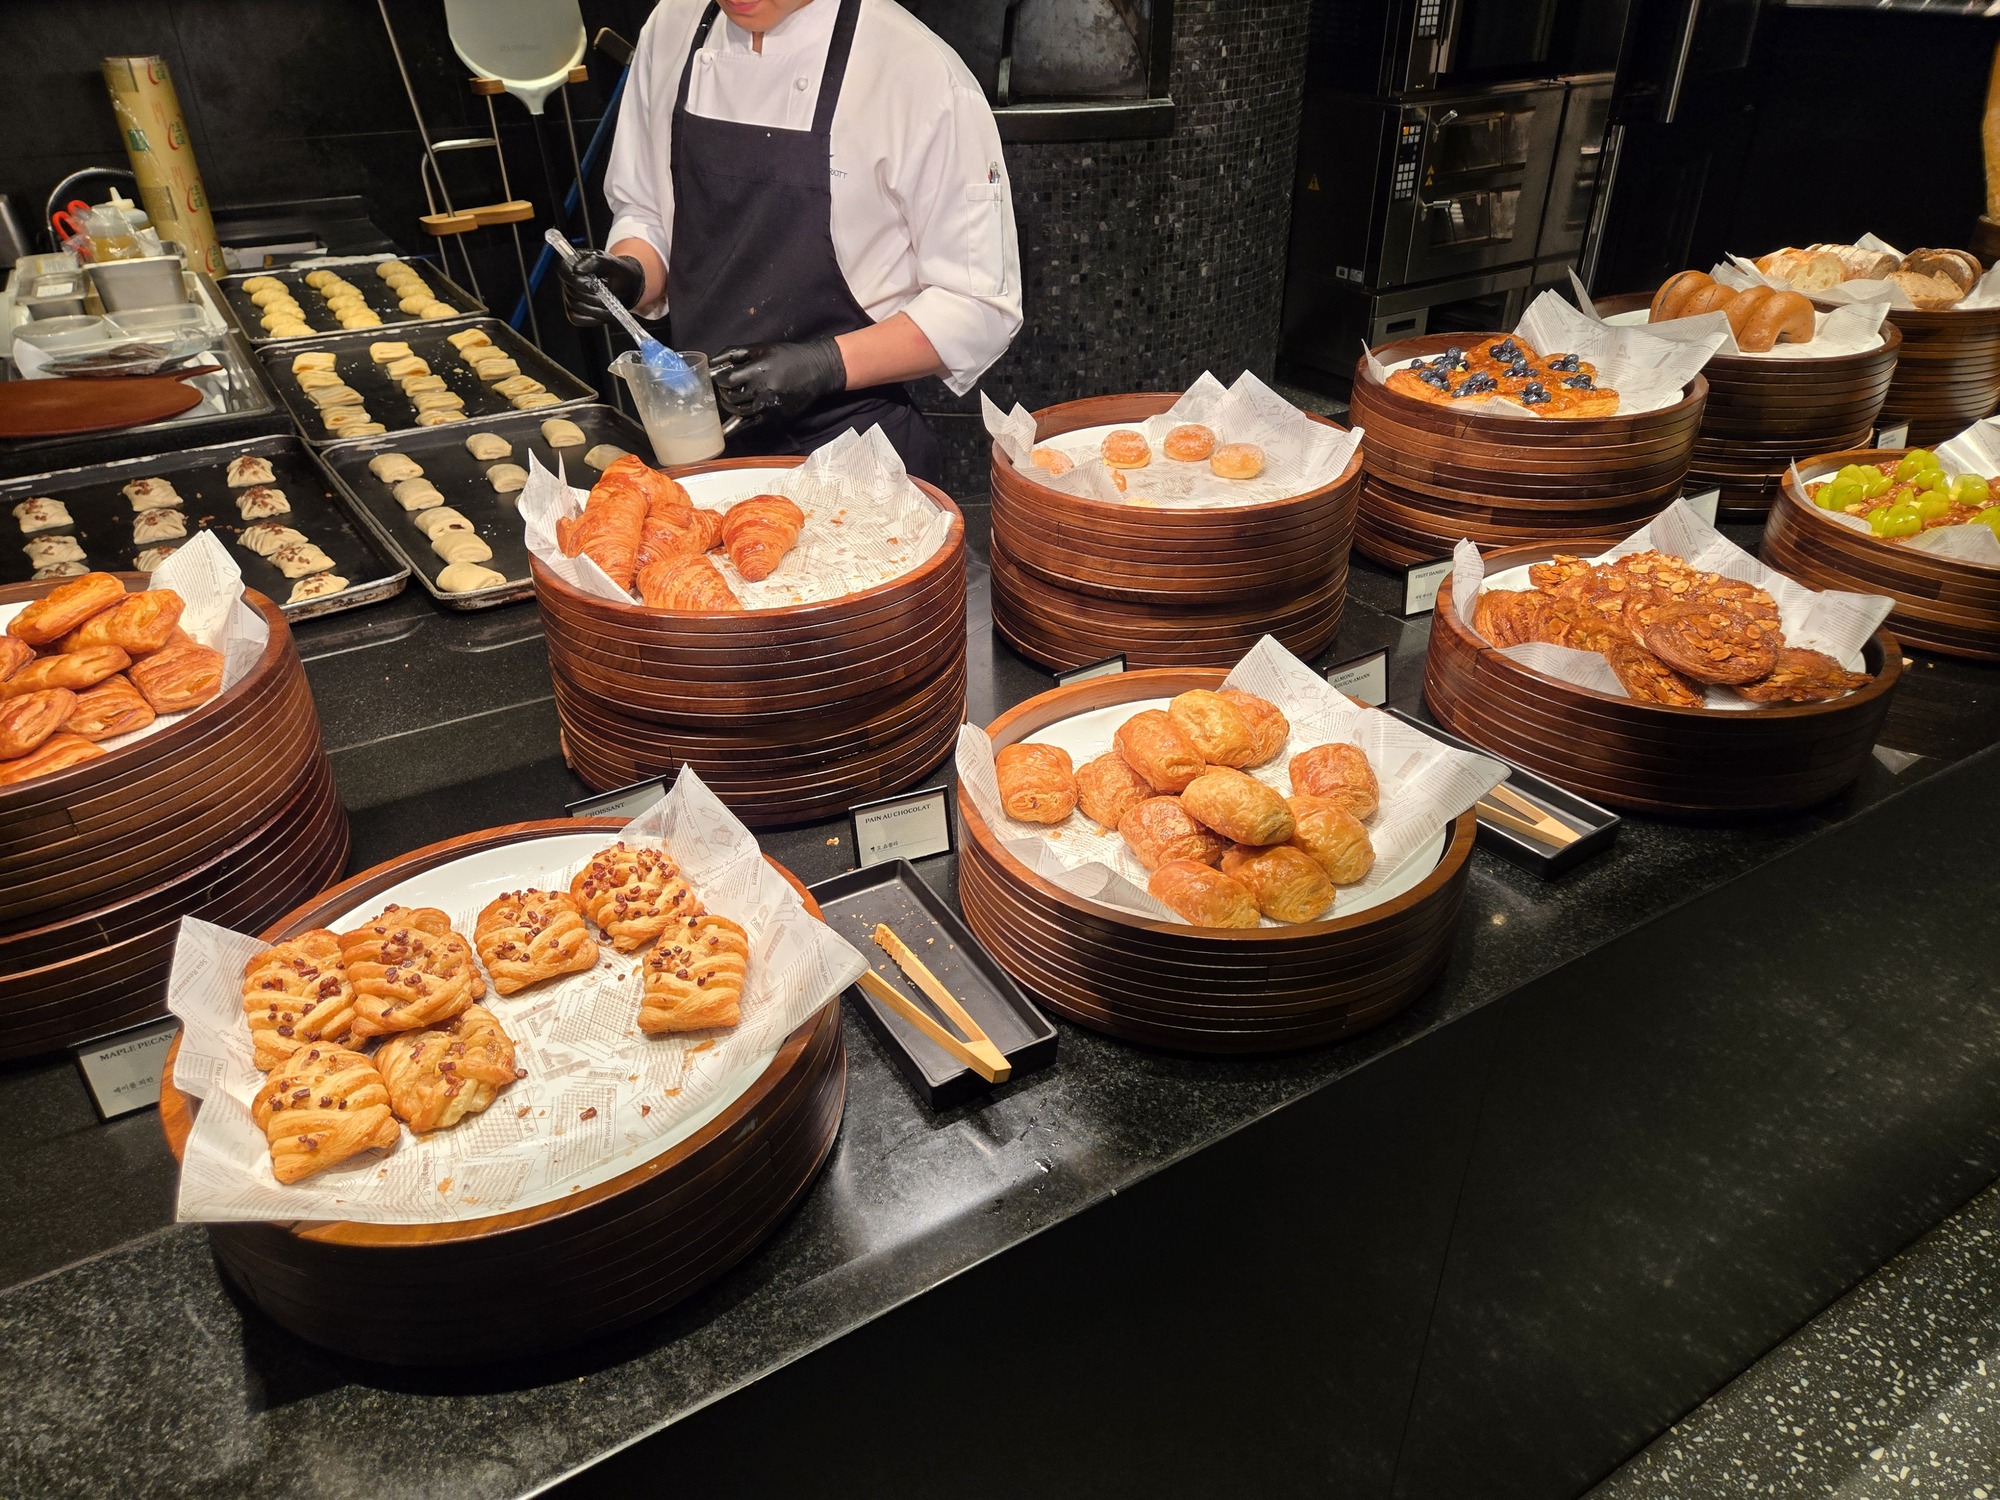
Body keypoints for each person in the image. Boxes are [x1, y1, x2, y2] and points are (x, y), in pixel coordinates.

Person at [559, 0, 1023, 485]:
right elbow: (647, 210)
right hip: (700, 454)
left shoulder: (916, 68)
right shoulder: (673, 25)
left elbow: (979, 305)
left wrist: (823, 364)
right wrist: (631, 275)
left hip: (857, 460)